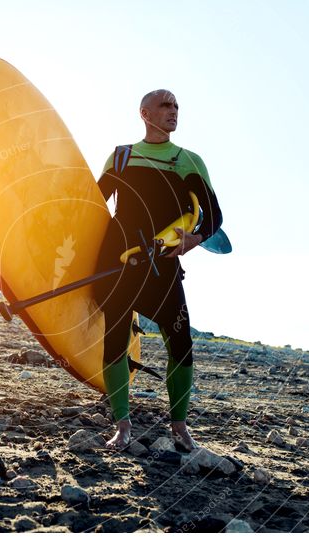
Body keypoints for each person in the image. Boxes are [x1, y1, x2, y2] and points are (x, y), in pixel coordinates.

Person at [93, 89, 223, 451]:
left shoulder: (188, 161)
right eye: (166, 105)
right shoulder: (121, 157)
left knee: (180, 343)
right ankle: (122, 424)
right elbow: (91, 206)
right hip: (118, 261)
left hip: (162, 265)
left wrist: (193, 240)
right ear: (145, 113)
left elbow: (214, 216)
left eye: (177, 106)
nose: (174, 111)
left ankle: (179, 425)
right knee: (115, 339)